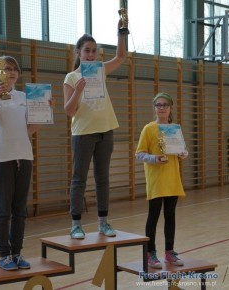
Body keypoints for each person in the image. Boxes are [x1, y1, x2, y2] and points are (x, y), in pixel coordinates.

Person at [0, 55, 54, 271]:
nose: (11, 72)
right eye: (7, 68)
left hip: (24, 156)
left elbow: (29, 129)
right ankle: (4, 255)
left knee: (20, 209)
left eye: (15, 69)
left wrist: (47, 110)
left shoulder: (24, 96)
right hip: (1, 158)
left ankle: (17, 253)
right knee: (3, 210)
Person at [63, 19, 128, 239]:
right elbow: (69, 111)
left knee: (103, 177)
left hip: (105, 129)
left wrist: (121, 32)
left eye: (94, 51)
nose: (91, 55)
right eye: (87, 51)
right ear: (78, 52)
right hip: (83, 133)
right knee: (79, 178)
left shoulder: (100, 70)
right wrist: (77, 91)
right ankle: (75, 224)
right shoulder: (71, 77)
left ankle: (103, 222)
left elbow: (120, 57)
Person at [135, 92, 188, 269]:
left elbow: (182, 150)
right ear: (154, 108)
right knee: (154, 216)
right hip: (156, 179)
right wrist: (154, 159)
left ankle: (169, 252)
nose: (162, 108)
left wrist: (183, 154)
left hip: (172, 178)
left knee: (170, 216)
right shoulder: (148, 129)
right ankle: (150, 253)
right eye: (158, 105)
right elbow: (139, 153)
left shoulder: (174, 128)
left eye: (165, 104)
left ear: (170, 107)